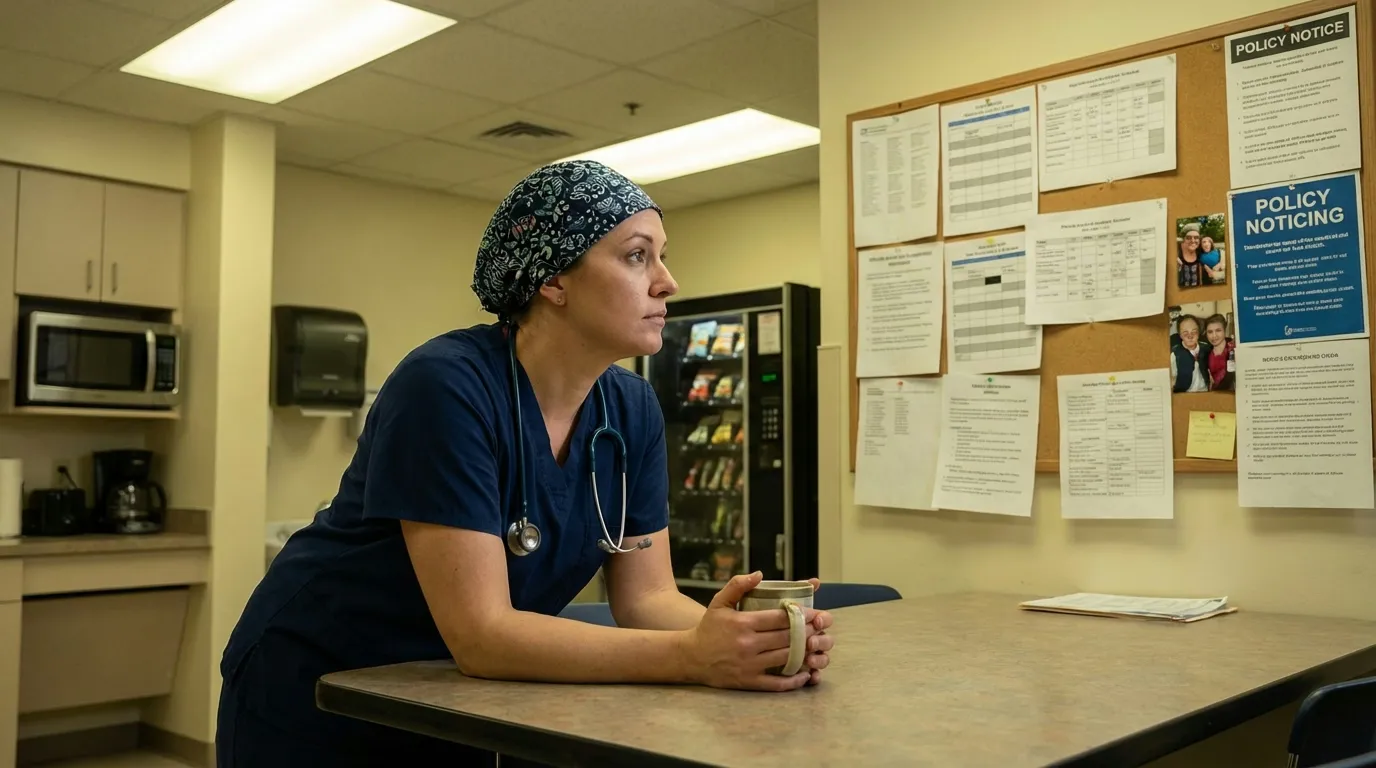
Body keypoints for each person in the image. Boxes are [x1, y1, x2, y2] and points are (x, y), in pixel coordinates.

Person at [214, 160, 835, 767]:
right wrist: (691, 658)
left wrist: (743, 641)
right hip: (320, 682)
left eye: (662, 256)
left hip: (454, 695)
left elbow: (647, 598)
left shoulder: (632, 407)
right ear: (553, 280)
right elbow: (483, 633)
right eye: (637, 255)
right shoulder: (446, 385)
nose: (667, 282)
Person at [1170, 314, 1211, 393]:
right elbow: (1170, 382)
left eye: (1194, 332)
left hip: (1205, 394)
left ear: (1199, 333)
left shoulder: (1207, 349)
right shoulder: (1175, 354)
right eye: (1185, 333)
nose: (1190, 336)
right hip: (1184, 396)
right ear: (1180, 335)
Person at [1204, 313, 1235, 391]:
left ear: (1224, 330)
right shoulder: (1206, 352)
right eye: (1210, 332)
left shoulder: (1233, 349)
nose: (1214, 336)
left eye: (1218, 330)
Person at [1177, 223, 1209, 287]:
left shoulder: (1201, 252)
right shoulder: (1177, 252)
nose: (1193, 241)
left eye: (1196, 238)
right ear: (1183, 239)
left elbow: (1218, 253)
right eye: (1188, 238)